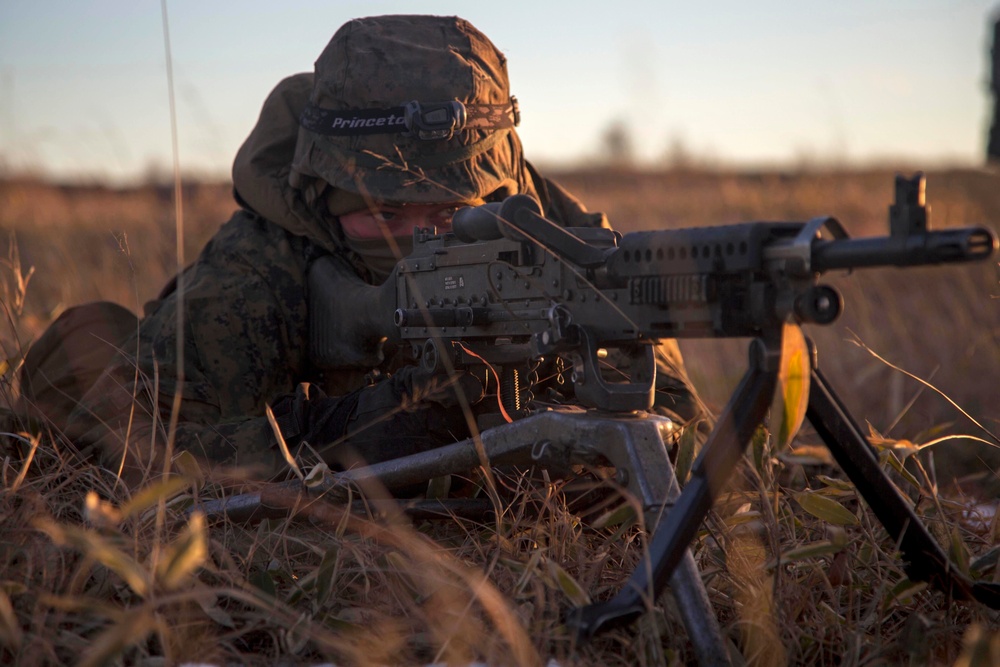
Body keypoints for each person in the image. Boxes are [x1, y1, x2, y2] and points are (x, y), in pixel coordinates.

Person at [16, 15, 702, 484]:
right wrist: (375, 426)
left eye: (449, 210)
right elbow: (159, 454)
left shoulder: (547, 223)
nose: (424, 234)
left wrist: (556, 420)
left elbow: (680, 416)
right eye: (390, 212)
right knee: (86, 366)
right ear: (325, 191)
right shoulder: (256, 269)